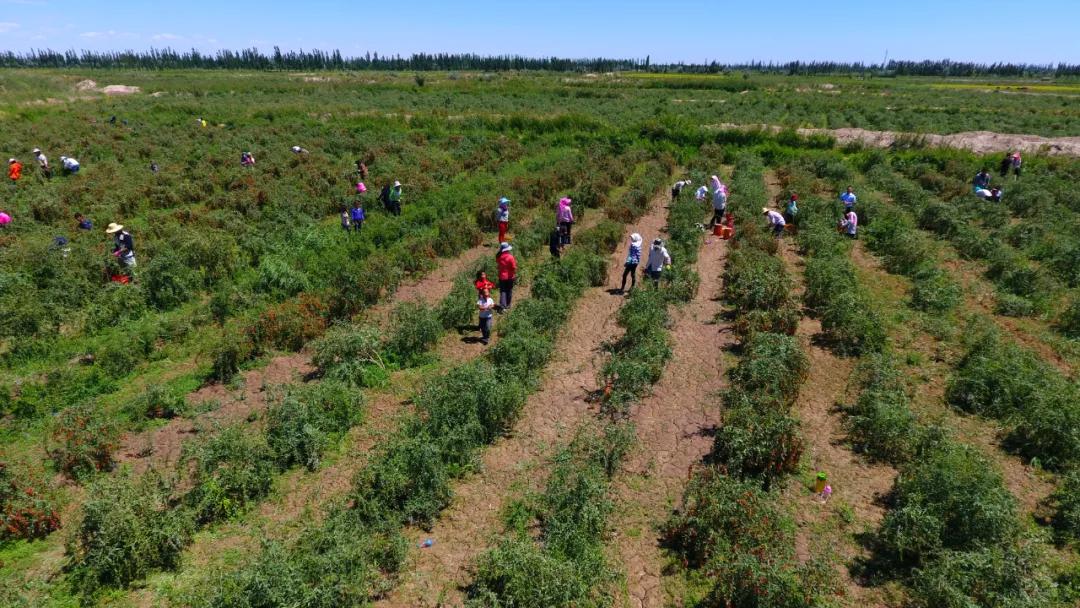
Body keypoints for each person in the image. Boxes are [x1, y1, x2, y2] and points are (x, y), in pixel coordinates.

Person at [496, 242, 517, 312]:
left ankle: (503, 306)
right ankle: (508, 305)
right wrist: (514, 273)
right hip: (510, 277)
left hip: (501, 276)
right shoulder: (510, 257)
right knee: (509, 290)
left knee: (503, 291)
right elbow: (513, 267)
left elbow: (498, 265)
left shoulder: (499, 256)